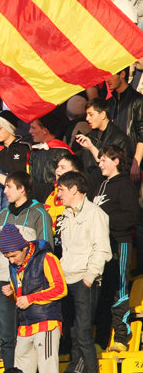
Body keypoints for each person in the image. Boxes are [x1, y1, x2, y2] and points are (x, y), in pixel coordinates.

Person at [0, 171, 53, 369]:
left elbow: (46, 249)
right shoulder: (3, 214)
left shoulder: (39, 213)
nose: (5, 191)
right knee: (7, 337)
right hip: (3, 281)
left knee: (29, 335)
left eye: (9, 187)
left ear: (22, 189)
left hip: (29, 284)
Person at [56, 171, 111, 373]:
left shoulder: (95, 214)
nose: (58, 195)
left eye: (61, 190)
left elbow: (102, 249)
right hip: (67, 280)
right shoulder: (66, 215)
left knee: (83, 333)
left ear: (74, 189)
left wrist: (89, 278)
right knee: (72, 333)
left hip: (84, 281)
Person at [0, 223, 67, 373]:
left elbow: (61, 288)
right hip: (24, 326)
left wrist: (30, 298)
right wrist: (12, 294)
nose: (11, 261)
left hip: (46, 324)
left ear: (24, 247)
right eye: (7, 257)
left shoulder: (46, 257)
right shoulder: (14, 265)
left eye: (13, 256)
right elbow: (20, 299)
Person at [93, 145, 140, 350]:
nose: (100, 164)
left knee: (118, 290)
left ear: (116, 161)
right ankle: (101, 340)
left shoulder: (125, 185)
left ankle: (121, 337)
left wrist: (104, 221)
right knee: (102, 292)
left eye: (104, 160)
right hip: (101, 247)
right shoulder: (101, 185)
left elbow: (132, 215)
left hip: (119, 244)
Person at [76, 98, 134, 193]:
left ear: (103, 114)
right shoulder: (89, 137)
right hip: (90, 190)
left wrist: (92, 148)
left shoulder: (119, 139)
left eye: (91, 114)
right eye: (86, 115)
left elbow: (122, 171)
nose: (87, 118)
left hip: (110, 191)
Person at [105, 67, 143, 183]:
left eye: (111, 76)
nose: (107, 80)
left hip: (131, 162)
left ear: (122, 74)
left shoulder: (138, 101)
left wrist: (136, 163)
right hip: (113, 162)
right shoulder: (110, 102)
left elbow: (142, 134)